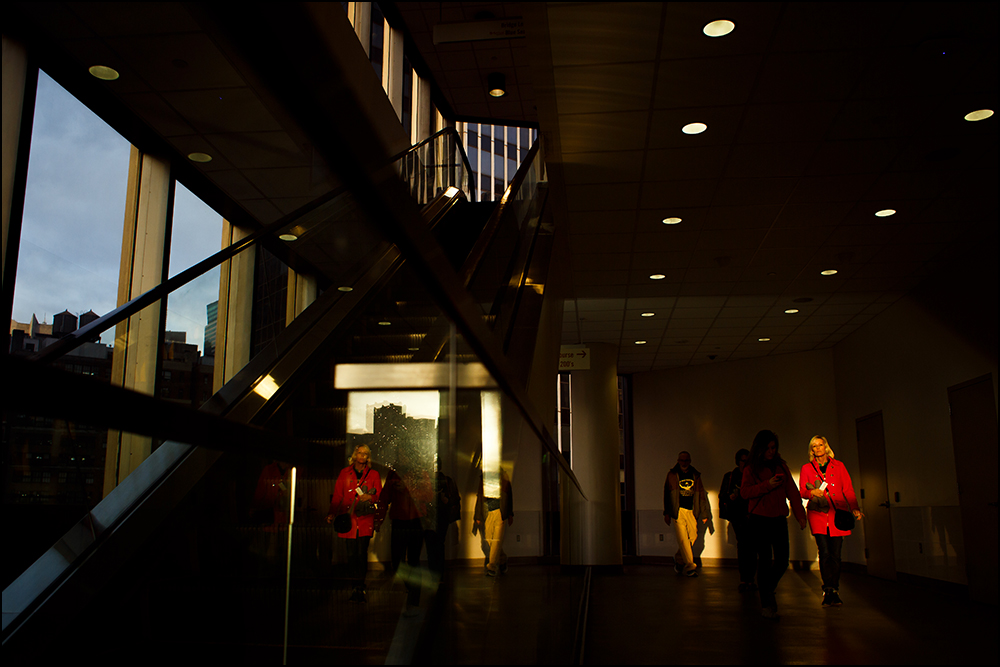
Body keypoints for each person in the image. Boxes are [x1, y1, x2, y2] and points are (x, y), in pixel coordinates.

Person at [741, 430, 807, 618]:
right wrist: (767, 485)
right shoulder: (751, 468)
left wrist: (800, 515)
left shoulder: (781, 466)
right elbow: (745, 493)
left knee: (782, 561)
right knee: (764, 561)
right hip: (760, 520)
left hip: (778, 519)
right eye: (767, 448)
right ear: (759, 448)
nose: (771, 451)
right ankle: (766, 603)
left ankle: (768, 590)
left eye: (773, 447)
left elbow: (792, 491)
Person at [799, 435, 863, 607]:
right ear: (811, 450)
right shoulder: (807, 468)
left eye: (820, 445)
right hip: (818, 514)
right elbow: (802, 491)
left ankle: (834, 588)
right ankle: (828, 589)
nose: (818, 448)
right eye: (814, 446)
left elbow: (847, 489)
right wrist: (812, 493)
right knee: (825, 553)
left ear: (826, 447)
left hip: (837, 514)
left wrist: (855, 507)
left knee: (836, 554)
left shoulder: (839, 466)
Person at [327, 444, 382, 602]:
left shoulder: (374, 474)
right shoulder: (345, 473)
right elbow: (338, 495)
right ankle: (355, 586)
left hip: (365, 518)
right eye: (360, 453)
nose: (362, 456)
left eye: (365, 454)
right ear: (355, 455)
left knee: (361, 553)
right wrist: (331, 513)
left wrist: (370, 497)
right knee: (351, 555)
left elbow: (379, 494)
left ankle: (360, 586)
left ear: (368, 457)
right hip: (349, 518)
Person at [663, 451, 711, 577]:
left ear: (689, 461)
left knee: (693, 536)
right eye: (682, 460)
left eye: (686, 460)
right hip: (678, 511)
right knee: (683, 539)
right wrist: (667, 513)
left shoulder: (695, 475)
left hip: (691, 510)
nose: (684, 463)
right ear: (678, 461)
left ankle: (679, 560)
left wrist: (704, 514)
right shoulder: (672, 475)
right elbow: (667, 495)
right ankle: (690, 566)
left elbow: (701, 495)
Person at [719, 448, 754, 591]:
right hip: (737, 515)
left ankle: (749, 579)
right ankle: (745, 579)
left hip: (751, 514)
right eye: (742, 461)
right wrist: (731, 497)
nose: (744, 464)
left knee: (750, 547)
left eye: (747, 461)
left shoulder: (753, 476)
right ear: (738, 461)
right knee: (743, 546)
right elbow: (722, 495)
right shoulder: (730, 476)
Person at [473, 466, 513, 576]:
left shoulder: (503, 479)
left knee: (494, 540)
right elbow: (479, 497)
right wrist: (477, 516)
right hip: (489, 512)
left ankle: (492, 566)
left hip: (499, 512)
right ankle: (502, 559)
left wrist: (510, 514)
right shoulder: (485, 479)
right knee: (491, 539)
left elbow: (509, 497)